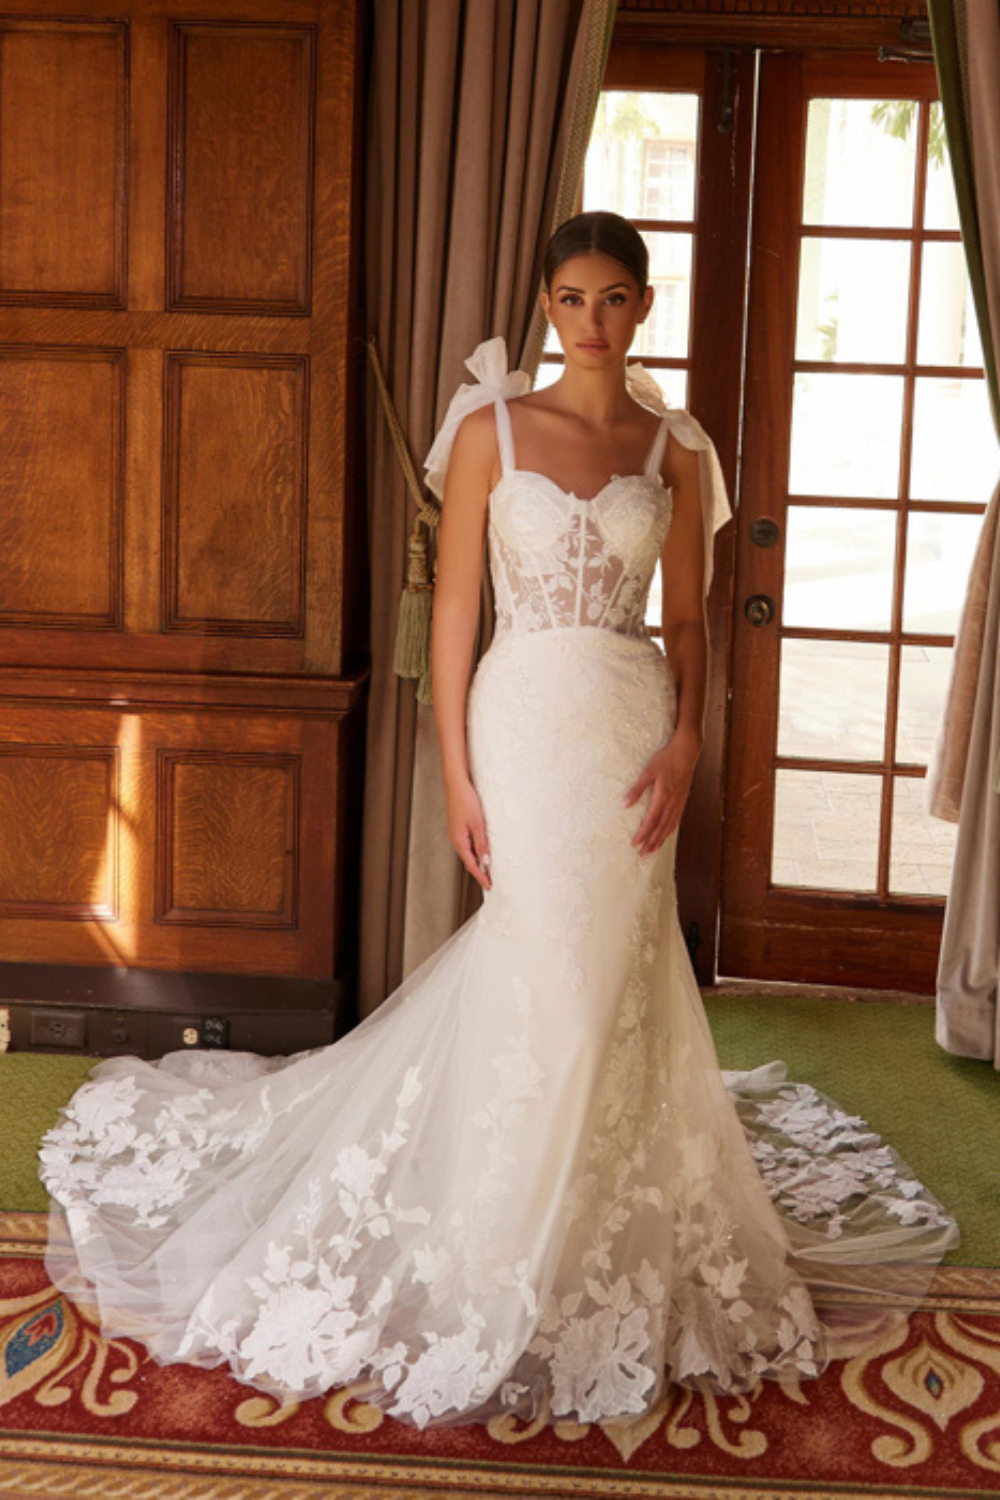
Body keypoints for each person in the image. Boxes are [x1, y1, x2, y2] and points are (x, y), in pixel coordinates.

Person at [38, 210, 958, 1434]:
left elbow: (689, 627)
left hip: (632, 731)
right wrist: (459, 783)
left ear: (643, 307)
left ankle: (592, 1220)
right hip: (520, 730)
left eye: (614, 298)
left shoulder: (675, 447)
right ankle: (497, 1235)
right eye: (571, 299)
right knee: (542, 973)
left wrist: (689, 742)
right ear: (544, 306)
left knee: (610, 980)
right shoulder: (488, 432)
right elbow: (457, 620)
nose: (592, 321)